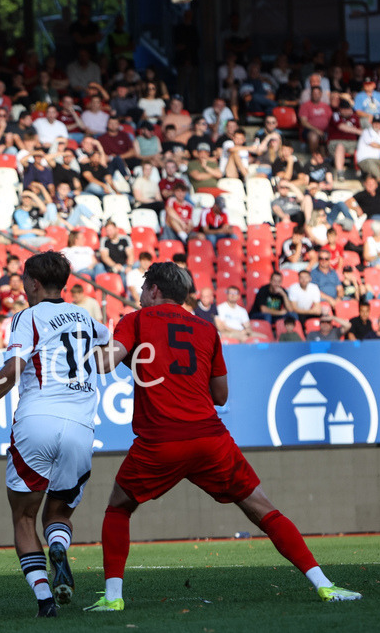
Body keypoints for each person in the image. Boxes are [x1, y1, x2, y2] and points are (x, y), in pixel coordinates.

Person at [85, 262, 361, 612]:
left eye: (143, 290)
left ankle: (113, 598)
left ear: (154, 290)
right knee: (262, 507)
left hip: (161, 440)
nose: (140, 297)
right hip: (209, 438)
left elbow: (105, 363)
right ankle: (324, 585)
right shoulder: (205, 329)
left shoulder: (135, 320)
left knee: (119, 508)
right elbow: (220, 396)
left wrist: (85, 346)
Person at [0, 252, 109, 617]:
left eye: (24, 280)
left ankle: (44, 601)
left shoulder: (28, 316)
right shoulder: (86, 316)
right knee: (58, 513)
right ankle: (58, 545)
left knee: (24, 518)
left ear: (34, 284)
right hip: (81, 425)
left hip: (36, 419)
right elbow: (106, 343)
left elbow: (14, 367)